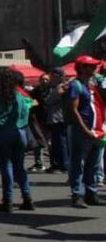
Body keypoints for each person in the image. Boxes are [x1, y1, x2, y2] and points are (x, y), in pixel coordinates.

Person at [0, 67, 36, 213]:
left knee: (6, 167)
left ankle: (7, 200)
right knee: (19, 166)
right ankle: (27, 197)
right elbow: (26, 113)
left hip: (1, 133)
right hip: (20, 132)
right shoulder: (18, 95)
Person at [65, 55, 103, 208]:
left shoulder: (91, 85)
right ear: (82, 67)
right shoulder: (75, 85)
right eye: (90, 66)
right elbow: (73, 110)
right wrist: (85, 129)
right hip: (82, 131)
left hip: (97, 131)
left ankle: (91, 193)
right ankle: (77, 194)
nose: (94, 69)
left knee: (93, 164)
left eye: (94, 66)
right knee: (78, 163)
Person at [43, 67, 70, 174]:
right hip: (56, 118)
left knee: (60, 143)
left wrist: (48, 98)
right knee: (56, 143)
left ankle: (63, 165)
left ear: (58, 76)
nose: (51, 77)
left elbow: (49, 100)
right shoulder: (56, 87)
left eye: (53, 76)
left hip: (58, 118)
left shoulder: (61, 87)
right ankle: (58, 164)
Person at [27, 74, 51, 173]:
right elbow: (31, 103)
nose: (44, 81)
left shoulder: (52, 90)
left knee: (50, 142)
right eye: (42, 79)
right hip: (38, 119)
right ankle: (39, 163)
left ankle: (54, 163)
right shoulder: (35, 91)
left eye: (46, 79)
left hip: (50, 119)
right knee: (38, 142)